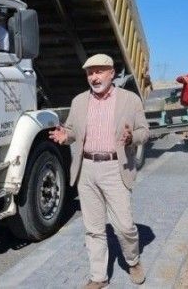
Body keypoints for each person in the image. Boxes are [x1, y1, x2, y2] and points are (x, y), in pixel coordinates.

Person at [49, 54, 149, 288]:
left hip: (116, 167)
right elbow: (72, 130)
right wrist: (65, 137)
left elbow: (145, 131)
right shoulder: (79, 101)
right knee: (93, 229)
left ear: (111, 73)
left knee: (124, 226)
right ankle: (98, 277)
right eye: (90, 73)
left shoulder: (130, 99)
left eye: (99, 71)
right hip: (87, 169)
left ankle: (133, 261)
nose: (94, 77)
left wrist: (131, 137)